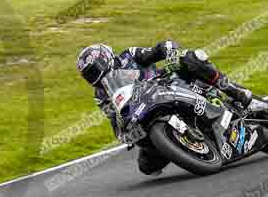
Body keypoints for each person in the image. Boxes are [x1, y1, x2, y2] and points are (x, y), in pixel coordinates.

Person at [76, 41, 267, 176]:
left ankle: (243, 96)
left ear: (105, 58)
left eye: (95, 69)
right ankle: (191, 142)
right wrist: (126, 133)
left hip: (170, 84)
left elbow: (161, 48)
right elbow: (115, 121)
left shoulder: (129, 56)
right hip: (143, 114)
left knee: (191, 58)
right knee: (147, 167)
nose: (94, 76)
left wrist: (171, 54)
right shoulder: (101, 95)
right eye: (89, 74)